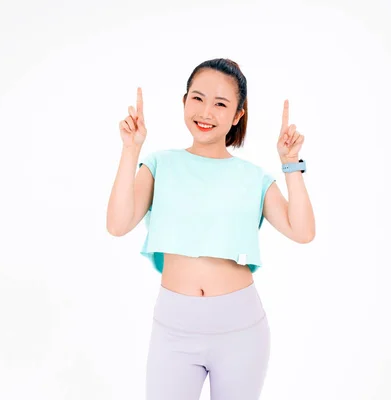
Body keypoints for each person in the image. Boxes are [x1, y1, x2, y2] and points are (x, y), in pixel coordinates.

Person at [107, 58, 315, 399]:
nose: (206, 112)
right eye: (198, 98)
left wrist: (291, 164)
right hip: (174, 330)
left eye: (221, 104)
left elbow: (302, 231)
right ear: (185, 101)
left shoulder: (254, 177)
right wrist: (131, 150)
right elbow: (117, 224)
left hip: (241, 331)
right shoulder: (160, 164)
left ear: (237, 116)